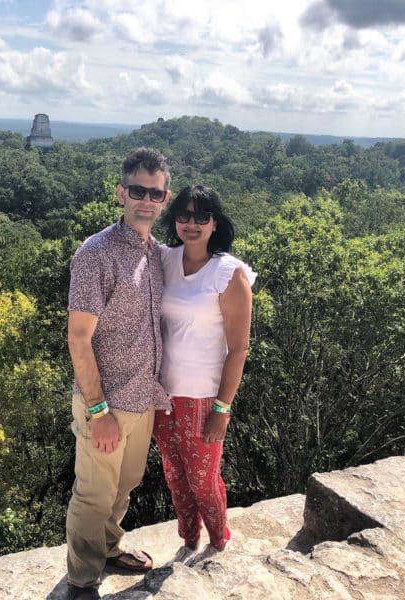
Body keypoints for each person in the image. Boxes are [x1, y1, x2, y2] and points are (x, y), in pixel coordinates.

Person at [65, 147, 173, 600]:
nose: (146, 200)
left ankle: (109, 548)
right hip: (105, 401)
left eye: (156, 192)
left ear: (164, 199)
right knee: (93, 493)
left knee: (124, 486)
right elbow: (78, 338)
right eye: (137, 190)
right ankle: (83, 579)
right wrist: (98, 410)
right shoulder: (97, 253)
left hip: (143, 397)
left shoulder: (158, 256)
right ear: (121, 192)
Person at [154, 184, 255, 566]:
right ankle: (188, 539)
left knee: (202, 478)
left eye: (201, 217)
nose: (191, 224)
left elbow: (239, 348)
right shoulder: (166, 260)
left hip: (203, 395)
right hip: (163, 393)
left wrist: (222, 408)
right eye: (184, 215)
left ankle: (218, 541)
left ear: (215, 223)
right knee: (175, 475)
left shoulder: (229, 273)